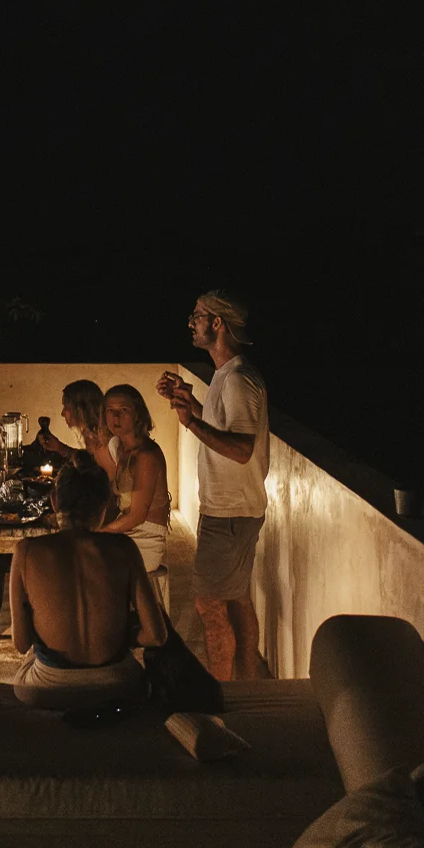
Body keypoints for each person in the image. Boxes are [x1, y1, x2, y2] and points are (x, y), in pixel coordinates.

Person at [157, 289, 269, 681]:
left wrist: (191, 423)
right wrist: (192, 405)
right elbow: (230, 431)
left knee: (208, 604)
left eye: (197, 316)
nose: (190, 322)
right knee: (236, 599)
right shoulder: (226, 375)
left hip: (230, 511)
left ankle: (220, 691)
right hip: (236, 508)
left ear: (217, 324)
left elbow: (241, 449)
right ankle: (247, 682)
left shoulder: (238, 380)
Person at [7, 463, 168, 710]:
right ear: (105, 507)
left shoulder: (27, 551)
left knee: (24, 673)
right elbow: (156, 636)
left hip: (49, 689)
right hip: (117, 686)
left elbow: (21, 643)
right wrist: (118, 636)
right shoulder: (124, 548)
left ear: (54, 501)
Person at [99, 384, 169, 575]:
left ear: (138, 414)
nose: (116, 417)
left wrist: (100, 532)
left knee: (87, 563)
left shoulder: (147, 455)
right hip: (126, 532)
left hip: (146, 539)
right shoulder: (118, 448)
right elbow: (115, 501)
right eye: (110, 411)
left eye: (123, 410)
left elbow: (137, 516)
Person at [36, 379, 116, 472]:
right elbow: (88, 461)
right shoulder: (91, 434)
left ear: (80, 409)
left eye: (66, 407)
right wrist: (59, 447)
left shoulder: (104, 439)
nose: (62, 413)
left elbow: (98, 476)